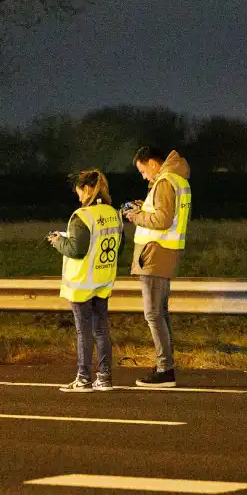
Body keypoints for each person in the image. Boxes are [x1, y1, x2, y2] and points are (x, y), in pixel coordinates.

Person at [48, 169, 123, 393]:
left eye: (80, 191)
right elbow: (119, 246)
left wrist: (56, 241)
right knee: (101, 330)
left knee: (84, 332)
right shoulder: (112, 213)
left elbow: (76, 249)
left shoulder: (82, 216)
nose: (79, 196)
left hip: (82, 284)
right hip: (103, 279)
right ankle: (105, 378)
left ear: (88, 189)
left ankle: (83, 378)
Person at [122, 146, 191, 388]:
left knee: (153, 313)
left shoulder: (164, 182)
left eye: (142, 171)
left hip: (154, 253)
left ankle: (164, 369)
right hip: (165, 253)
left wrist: (136, 217)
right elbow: (164, 213)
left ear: (152, 163)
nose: (143, 176)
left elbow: (162, 220)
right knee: (160, 312)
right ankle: (165, 364)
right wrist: (144, 208)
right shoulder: (177, 179)